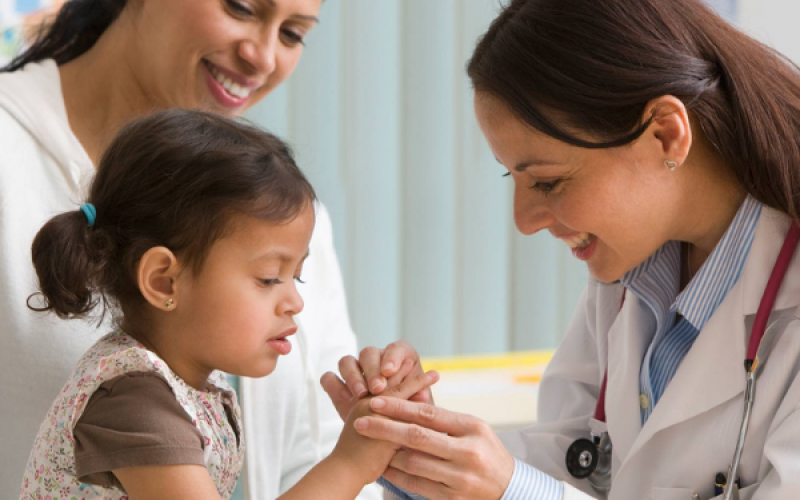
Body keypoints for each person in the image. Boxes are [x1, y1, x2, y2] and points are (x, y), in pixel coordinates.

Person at [328, 0, 800, 498]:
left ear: (665, 134)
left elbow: (535, 490)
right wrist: (426, 450)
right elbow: (575, 462)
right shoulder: (631, 280)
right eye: (513, 178)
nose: (523, 222)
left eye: (548, 181)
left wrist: (512, 489)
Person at [0, 1, 421, 497]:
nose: (263, 57)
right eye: (240, 6)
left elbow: (311, 450)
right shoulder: (132, 396)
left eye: (292, 33)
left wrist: (379, 424)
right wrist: (352, 462)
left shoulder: (274, 219)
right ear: (162, 279)